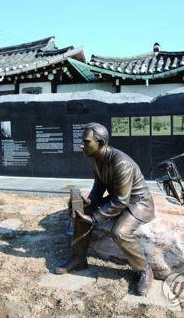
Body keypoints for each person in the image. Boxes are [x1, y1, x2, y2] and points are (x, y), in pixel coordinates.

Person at [55, 122, 155, 296]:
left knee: (120, 233)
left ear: (100, 144)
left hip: (138, 202)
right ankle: (78, 259)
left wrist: (95, 219)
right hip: (119, 198)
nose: (81, 145)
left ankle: (144, 269)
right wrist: (88, 202)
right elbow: (99, 186)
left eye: (86, 142)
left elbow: (121, 201)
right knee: (80, 213)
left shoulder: (120, 163)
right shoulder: (97, 158)